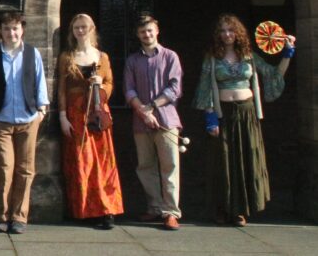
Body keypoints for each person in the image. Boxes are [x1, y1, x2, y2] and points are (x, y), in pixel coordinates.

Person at [194, 14, 295, 227]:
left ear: (237, 33)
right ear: (218, 35)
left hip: (247, 114)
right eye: (222, 31)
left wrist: (287, 53)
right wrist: (210, 118)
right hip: (224, 114)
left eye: (231, 30)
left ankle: (240, 210)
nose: (227, 34)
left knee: (246, 159)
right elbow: (205, 88)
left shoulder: (249, 56)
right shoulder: (212, 57)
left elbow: (273, 75)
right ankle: (222, 209)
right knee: (223, 161)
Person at [0, 11, 48, 234]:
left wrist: (41, 111)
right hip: (0, 120)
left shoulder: (32, 53)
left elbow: (41, 82)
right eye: (6, 29)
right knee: (5, 169)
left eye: (15, 28)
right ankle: (2, 218)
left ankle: (19, 218)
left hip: (28, 119)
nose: (11, 33)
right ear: (1, 32)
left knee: (26, 170)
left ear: (22, 29)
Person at [57, 14, 123, 229]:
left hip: (98, 113)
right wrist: (62, 116)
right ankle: (85, 210)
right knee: (82, 162)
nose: (80, 30)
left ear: (92, 29)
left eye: (84, 27)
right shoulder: (67, 57)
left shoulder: (102, 57)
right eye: (76, 27)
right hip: (76, 114)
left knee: (103, 164)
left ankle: (107, 210)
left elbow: (110, 83)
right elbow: (62, 90)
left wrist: (101, 87)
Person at [124, 15, 183, 230]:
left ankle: (171, 212)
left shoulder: (170, 57)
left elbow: (175, 88)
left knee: (170, 166)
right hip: (141, 123)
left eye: (149, 30)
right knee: (146, 166)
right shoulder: (132, 61)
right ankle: (155, 207)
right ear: (137, 34)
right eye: (142, 32)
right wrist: (143, 111)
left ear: (156, 30)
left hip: (167, 120)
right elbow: (129, 90)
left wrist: (152, 107)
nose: (146, 35)